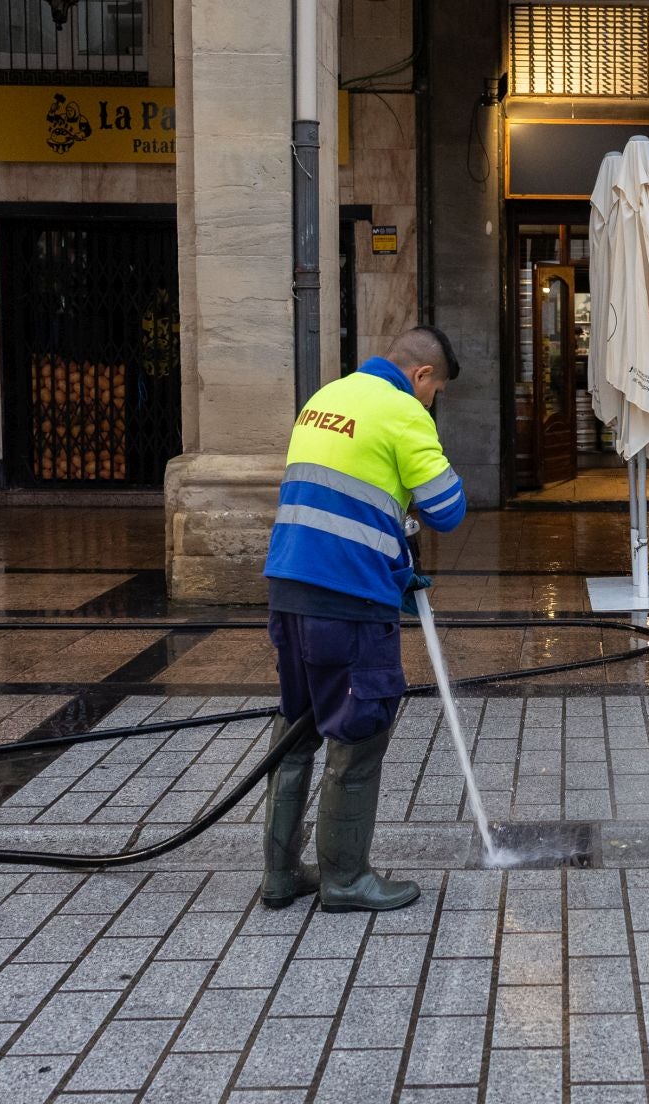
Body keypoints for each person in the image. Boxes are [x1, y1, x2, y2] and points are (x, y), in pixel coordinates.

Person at [260, 327, 468, 913]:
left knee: (296, 728)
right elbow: (448, 510)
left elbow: (344, 503)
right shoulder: (403, 412)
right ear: (423, 375)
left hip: (290, 590)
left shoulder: (326, 398)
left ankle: (280, 875)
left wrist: (394, 563)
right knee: (358, 733)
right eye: (437, 391)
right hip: (349, 602)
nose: (433, 402)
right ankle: (345, 880)